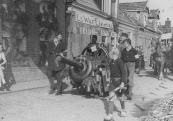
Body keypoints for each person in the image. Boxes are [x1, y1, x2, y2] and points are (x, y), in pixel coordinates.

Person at [105, 48, 127, 121]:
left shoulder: (120, 62)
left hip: (119, 81)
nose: (110, 55)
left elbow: (124, 73)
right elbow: (111, 73)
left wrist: (123, 82)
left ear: (114, 54)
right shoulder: (111, 62)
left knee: (121, 97)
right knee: (111, 97)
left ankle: (123, 110)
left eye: (111, 54)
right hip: (113, 82)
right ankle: (110, 114)